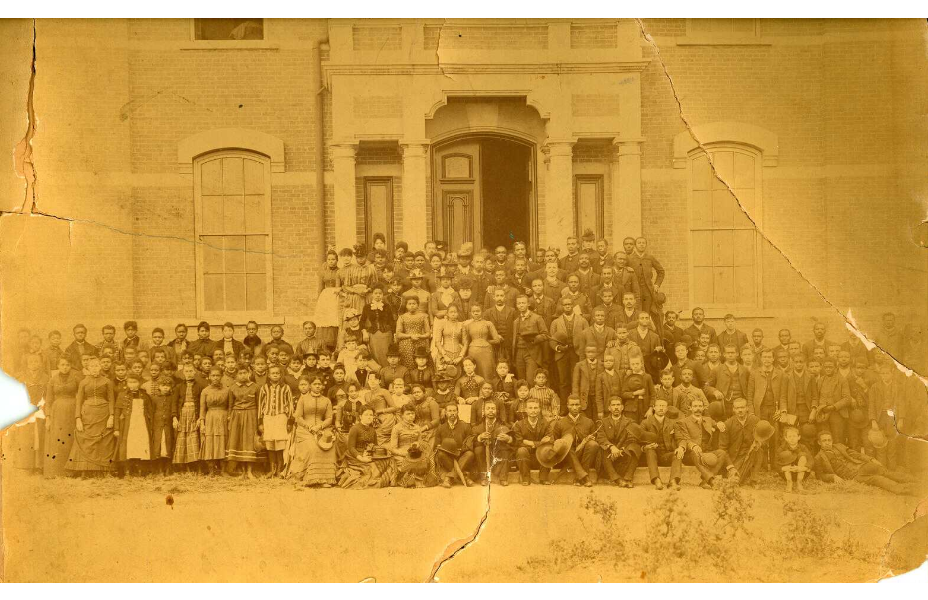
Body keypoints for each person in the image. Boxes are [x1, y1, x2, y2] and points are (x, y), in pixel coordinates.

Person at [814, 431, 914, 495]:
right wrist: (833, 477)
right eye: (824, 441)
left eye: (829, 440)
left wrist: (871, 459)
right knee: (877, 479)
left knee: (883, 471)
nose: (827, 442)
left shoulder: (839, 446)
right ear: (819, 442)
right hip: (854, 476)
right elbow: (820, 475)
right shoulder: (819, 457)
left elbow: (856, 454)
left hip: (861, 465)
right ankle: (904, 490)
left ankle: (913, 481)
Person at [67, 356, 117, 476]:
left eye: (96, 366)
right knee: (85, 439)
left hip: (103, 413)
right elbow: (79, 401)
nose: (94, 368)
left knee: (104, 441)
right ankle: (85, 469)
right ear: (87, 368)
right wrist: (78, 418)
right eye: (92, 366)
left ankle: (103, 470)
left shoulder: (107, 382)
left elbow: (111, 400)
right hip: (88, 413)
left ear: (100, 367)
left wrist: (111, 416)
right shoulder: (83, 382)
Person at [674, 396, 737, 488]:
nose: (698, 409)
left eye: (700, 406)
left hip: (706, 452)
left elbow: (716, 425)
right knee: (694, 452)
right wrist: (693, 446)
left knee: (722, 453)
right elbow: (684, 439)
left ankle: (704, 481)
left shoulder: (708, 420)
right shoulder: (683, 422)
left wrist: (719, 423)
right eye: (695, 406)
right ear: (690, 408)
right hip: (690, 454)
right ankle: (711, 480)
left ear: (703, 408)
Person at [287, 375, 336, 487]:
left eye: (319, 384)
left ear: (322, 386)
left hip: (321, 429)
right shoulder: (303, 399)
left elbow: (329, 418)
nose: (318, 386)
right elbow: (298, 417)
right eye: (315, 384)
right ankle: (311, 478)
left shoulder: (326, 400)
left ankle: (325, 479)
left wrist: (320, 426)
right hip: (304, 430)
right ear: (310, 386)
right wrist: (309, 426)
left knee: (329, 447)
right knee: (313, 447)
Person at [43, 356, 83, 477]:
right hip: (57, 412)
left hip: (72, 410)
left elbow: (81, 396)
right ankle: (56, 471)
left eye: (67, 365)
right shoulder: (53, 380)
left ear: (70, 366)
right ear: (58, 366)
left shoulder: (76, 378)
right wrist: (48, 418)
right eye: (62, 365)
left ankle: (70, 471)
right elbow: (48, 401)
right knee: (57, 439)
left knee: (70, 439)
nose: (65, 367)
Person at [338, 405, 396, 489]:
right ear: (360, 416)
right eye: (366, 415)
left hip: (369, 454)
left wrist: (381, 453)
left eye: (371, 415)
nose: (369, 417)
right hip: (355, 456)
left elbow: (375, 446)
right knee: (373, 467)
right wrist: (361, 458)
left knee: (389, 460)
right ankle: (376, 482)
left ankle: (391, 480)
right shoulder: (355, 429)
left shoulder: (372, 430)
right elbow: (351, 448)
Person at [548, 395, 600, 487]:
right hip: (566, 457)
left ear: (580, 405)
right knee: (566, 446)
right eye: (572, 405)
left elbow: (594, 439)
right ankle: (585, 478)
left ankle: (580, 477)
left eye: (577, 404)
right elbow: (555, 443)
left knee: (593, 444)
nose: (575, 407)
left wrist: (586, 441)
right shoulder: (560, 423)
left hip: (584, 456)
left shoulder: (589, 422)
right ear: (567, 405)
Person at [389, 403, 439, 488]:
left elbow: (420, 443)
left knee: (426, 461)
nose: (411, 416)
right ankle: (410, 480)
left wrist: (418, 444)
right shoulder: (396, 428)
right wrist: (403, 453)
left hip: (415, 453)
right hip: (401, 454)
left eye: (413, 414)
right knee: (407, 463)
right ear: (402, 415)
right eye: (408, 414)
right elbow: (393, 448)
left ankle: (416, 479)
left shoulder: (417, 427)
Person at [717, 397, 764, 485]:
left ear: (747, 408)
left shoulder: (755, 421)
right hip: (735, 457)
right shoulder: (728, 424)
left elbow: (764, 436)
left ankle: (754, 479)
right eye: (737, 408)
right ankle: (740, 475)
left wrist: (759, 443)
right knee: (736, 481)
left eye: (742, 407)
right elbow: (723, 449)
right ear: (733, 410)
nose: (740, 410)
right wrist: (731, 467)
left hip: (750, 453)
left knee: (759, 451)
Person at [113, 373, 153, 477]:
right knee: (128, 445)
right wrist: (116, 428)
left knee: (141, 445)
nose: (132, 385)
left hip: (141, 424)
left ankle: (142, 470)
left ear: (139, 383)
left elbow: (150, 411)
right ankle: (128, 470)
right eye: (130, 382)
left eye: (135, 382)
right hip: (127, 424)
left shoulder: (144, 395)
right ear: (127, 383)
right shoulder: (122, 395)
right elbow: (117, 412)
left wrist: (150, 425)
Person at [597, 397, 642, 488]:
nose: (616, 407)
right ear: (609, 408)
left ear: (622, 407)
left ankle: (628, 478)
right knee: (602, 447)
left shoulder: (629, 421)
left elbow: (631, 438)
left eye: (618, 405)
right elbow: (601, 438)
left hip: (622, 455)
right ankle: (616, 479)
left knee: (636, 447)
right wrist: (612, 447)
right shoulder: (602, 422)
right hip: (608, 458)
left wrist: (622, 449)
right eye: (613, 405)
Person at [258, 364, 294, 478]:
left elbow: (290, 404)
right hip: (268, 417)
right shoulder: (264, 388)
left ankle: (279, 469)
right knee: (270, 443)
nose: (275, 375)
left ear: (280, 375)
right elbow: (261, 405)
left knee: (279, 443)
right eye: (273, 373)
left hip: (281, 417)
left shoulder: (285, 387)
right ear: (268, 375)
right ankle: (271, 469)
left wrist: (289, 421)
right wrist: (260, 422)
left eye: (277, 373)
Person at [549, 296, 588, 401]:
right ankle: (564, 407)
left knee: (576, 379)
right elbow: (551, 340)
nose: (567, 306)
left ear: (573, 306)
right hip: (562, 355)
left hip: (577, 353)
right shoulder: (556, 322)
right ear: (562, 306)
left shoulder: (582, 321)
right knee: (563, 381)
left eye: (569, 304)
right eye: (565, 305)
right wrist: (558, 348)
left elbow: (587, 337)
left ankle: (577, 404)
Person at [641, 397, 682, 490]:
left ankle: (673, 481)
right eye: (659, 406)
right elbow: (639, 439)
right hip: (651, 455)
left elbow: (679, 438)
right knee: (650, 451)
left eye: (663, 406)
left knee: (678, 454)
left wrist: (680, 447)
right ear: (654, 408)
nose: (661, 408)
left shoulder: (672, 423)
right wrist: (646, 447)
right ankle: (656, 480)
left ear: (666, 409)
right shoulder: (646, 422)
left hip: (666, 454)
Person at [470, 401, 513, 486]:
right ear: (484, 411)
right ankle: (483, 477)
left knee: (505, 450)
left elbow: (514, 440)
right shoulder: (477, 427)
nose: (490, 411)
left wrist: (509, 438)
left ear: (496, 411)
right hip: (483, 456)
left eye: (493, 408)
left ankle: (503, 478)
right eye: (488, 408)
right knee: (478, 449)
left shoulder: (503, 425)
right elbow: (471, 440)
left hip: (498, 455)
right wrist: (480, 437)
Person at [197, 367, 231, 475]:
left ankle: (223, 470)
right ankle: (211, 470)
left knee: (223, 442)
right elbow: (202, 409)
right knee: (210, 443)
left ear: (221, 376)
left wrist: (229, 420)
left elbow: (230, 407)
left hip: (223, 418)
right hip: (210, 417)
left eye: (218, 376)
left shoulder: (227, 390)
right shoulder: (205, 391)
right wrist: (202, 423)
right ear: (209, 377)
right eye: (213, 376)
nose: (215, 378)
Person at [434, 403, 475, 487]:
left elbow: (469, 443)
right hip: (447, 455)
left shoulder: (465, 426)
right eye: (449, 411)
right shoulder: (440, 428)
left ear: (457, 412)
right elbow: (437, 444)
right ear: (445, 413)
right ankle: (464, 476)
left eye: (454, 411)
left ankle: (449, 477)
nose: (452, 413)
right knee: (440, 454)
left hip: (461, 454)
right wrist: (443, 448)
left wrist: (460, 450)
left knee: (470, 454)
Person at [705, 344, 751, 418]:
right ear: (724, 354)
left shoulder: (744, 370)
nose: (730, 355)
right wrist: (714, 391)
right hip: (724, 405)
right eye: (728, 353)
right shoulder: (717, 370)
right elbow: (706, 386)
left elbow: (750, 388)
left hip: (740, 405)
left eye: (732, 353)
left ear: (737, 354)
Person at [462, 303, 502, 380]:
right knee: (474, 372)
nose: (476, 313)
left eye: (478, 311)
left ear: (482, 312)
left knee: (487, 372)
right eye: (473, 311)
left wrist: (486, 341)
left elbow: (497, 340)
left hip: (486, 351)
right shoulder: (467, 325)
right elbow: (465, 341)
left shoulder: (488, 323)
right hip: (473, 351)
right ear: (470, 313)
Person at [396, 296, 431, 370]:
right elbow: (398, 334)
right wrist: (410, 336)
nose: (412, 305)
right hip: (406, 345)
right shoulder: (402, 317)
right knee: (407, 366)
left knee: (421, 364)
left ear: (418, 305)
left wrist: (421, 336)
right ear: (406, 305)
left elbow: (428, 333)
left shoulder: (423, 316)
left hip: (420, 343)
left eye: (414, 303)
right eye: (409, 304)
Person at [778, 425, 814, 493]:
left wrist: (803, 468)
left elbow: (811, 460)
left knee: (802, 455)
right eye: (790, 436)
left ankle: (799, 483)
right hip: (787, 473)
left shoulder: (803, 447)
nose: (792, 438)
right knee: (786, 454)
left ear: (799, 437)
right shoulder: (782, 448)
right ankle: (789, 483)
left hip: (801, 472)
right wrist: (784, 468)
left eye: (794, 436)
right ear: (786, 438)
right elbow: (776, 462)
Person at [432, 303, 466, 370]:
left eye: (455, 312)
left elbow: (465, 343)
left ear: (458, 313)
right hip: (444, 353)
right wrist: (444, 356)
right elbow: (437, 342)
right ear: (447, 313)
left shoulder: (461, 325)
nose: (453, 314)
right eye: (451, 312)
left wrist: (460, 357)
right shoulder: (442, 324)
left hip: (458, 354)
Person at [572, 345, 602, 419]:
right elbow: (575, 383)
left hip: (597, 396)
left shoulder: (602, 365)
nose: (591, 354)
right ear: (585, 353)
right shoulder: (579, 365)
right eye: (588, 352)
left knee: (597, 417)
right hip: (585, 396)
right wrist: (576, 399)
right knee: (586, 418)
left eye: (593, 352)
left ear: (597, 353)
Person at [594, 352, 623, 419]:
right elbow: (599, 395)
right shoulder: (600, 377)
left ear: (614, 362)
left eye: (610, 361)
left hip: (619, 408)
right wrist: (600, 410)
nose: (608, 362)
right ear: (603, 363)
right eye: (606, 361)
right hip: (606, 408)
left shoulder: (619, 374)